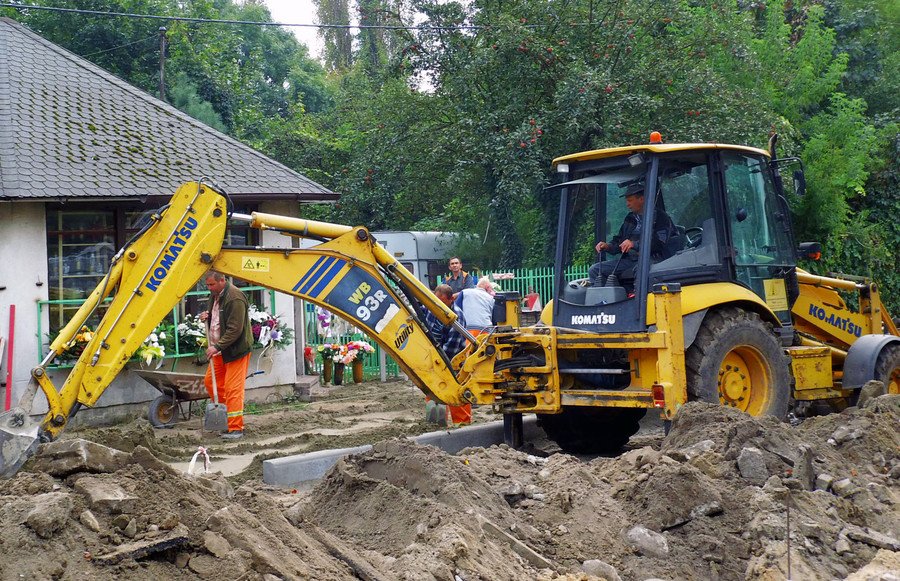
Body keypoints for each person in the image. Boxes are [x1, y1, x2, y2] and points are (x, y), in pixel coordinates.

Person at [588, 183, 676, 288]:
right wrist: (608, 246)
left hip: (654, 260)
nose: (627, 204)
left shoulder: (661, 218)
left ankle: (638, 300)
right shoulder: (630, 219)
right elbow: (619, 241)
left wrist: (634, 244)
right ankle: (602, 301)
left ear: (641, 199)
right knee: (595, 270)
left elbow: (659, 243)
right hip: (630, 261)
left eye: (630, 200)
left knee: (640, 270)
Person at [199, 271, 253, 439]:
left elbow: (234, 329)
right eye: (207, 285)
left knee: (233, 389)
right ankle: (225, 418)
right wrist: (205, 317)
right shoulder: (215, 294)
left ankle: (236, 428)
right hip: (219, 350)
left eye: (211, 285)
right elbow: (217, 318)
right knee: (210, 382)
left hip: (235, 351)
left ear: (222, 280)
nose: (209, 288)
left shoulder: (235, 298)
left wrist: (217, 346)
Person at [423, 284, 472, 425]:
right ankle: (437, 422)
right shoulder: (431, 309)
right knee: (433, 389)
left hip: (454, 360)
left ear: (451, 299)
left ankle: (462, 423)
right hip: (434, 356)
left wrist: (438, 361)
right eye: (435, 300)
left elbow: (452, 346)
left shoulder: (456, 317)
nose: (437, 303)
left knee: (456, 391)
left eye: (441, 300)